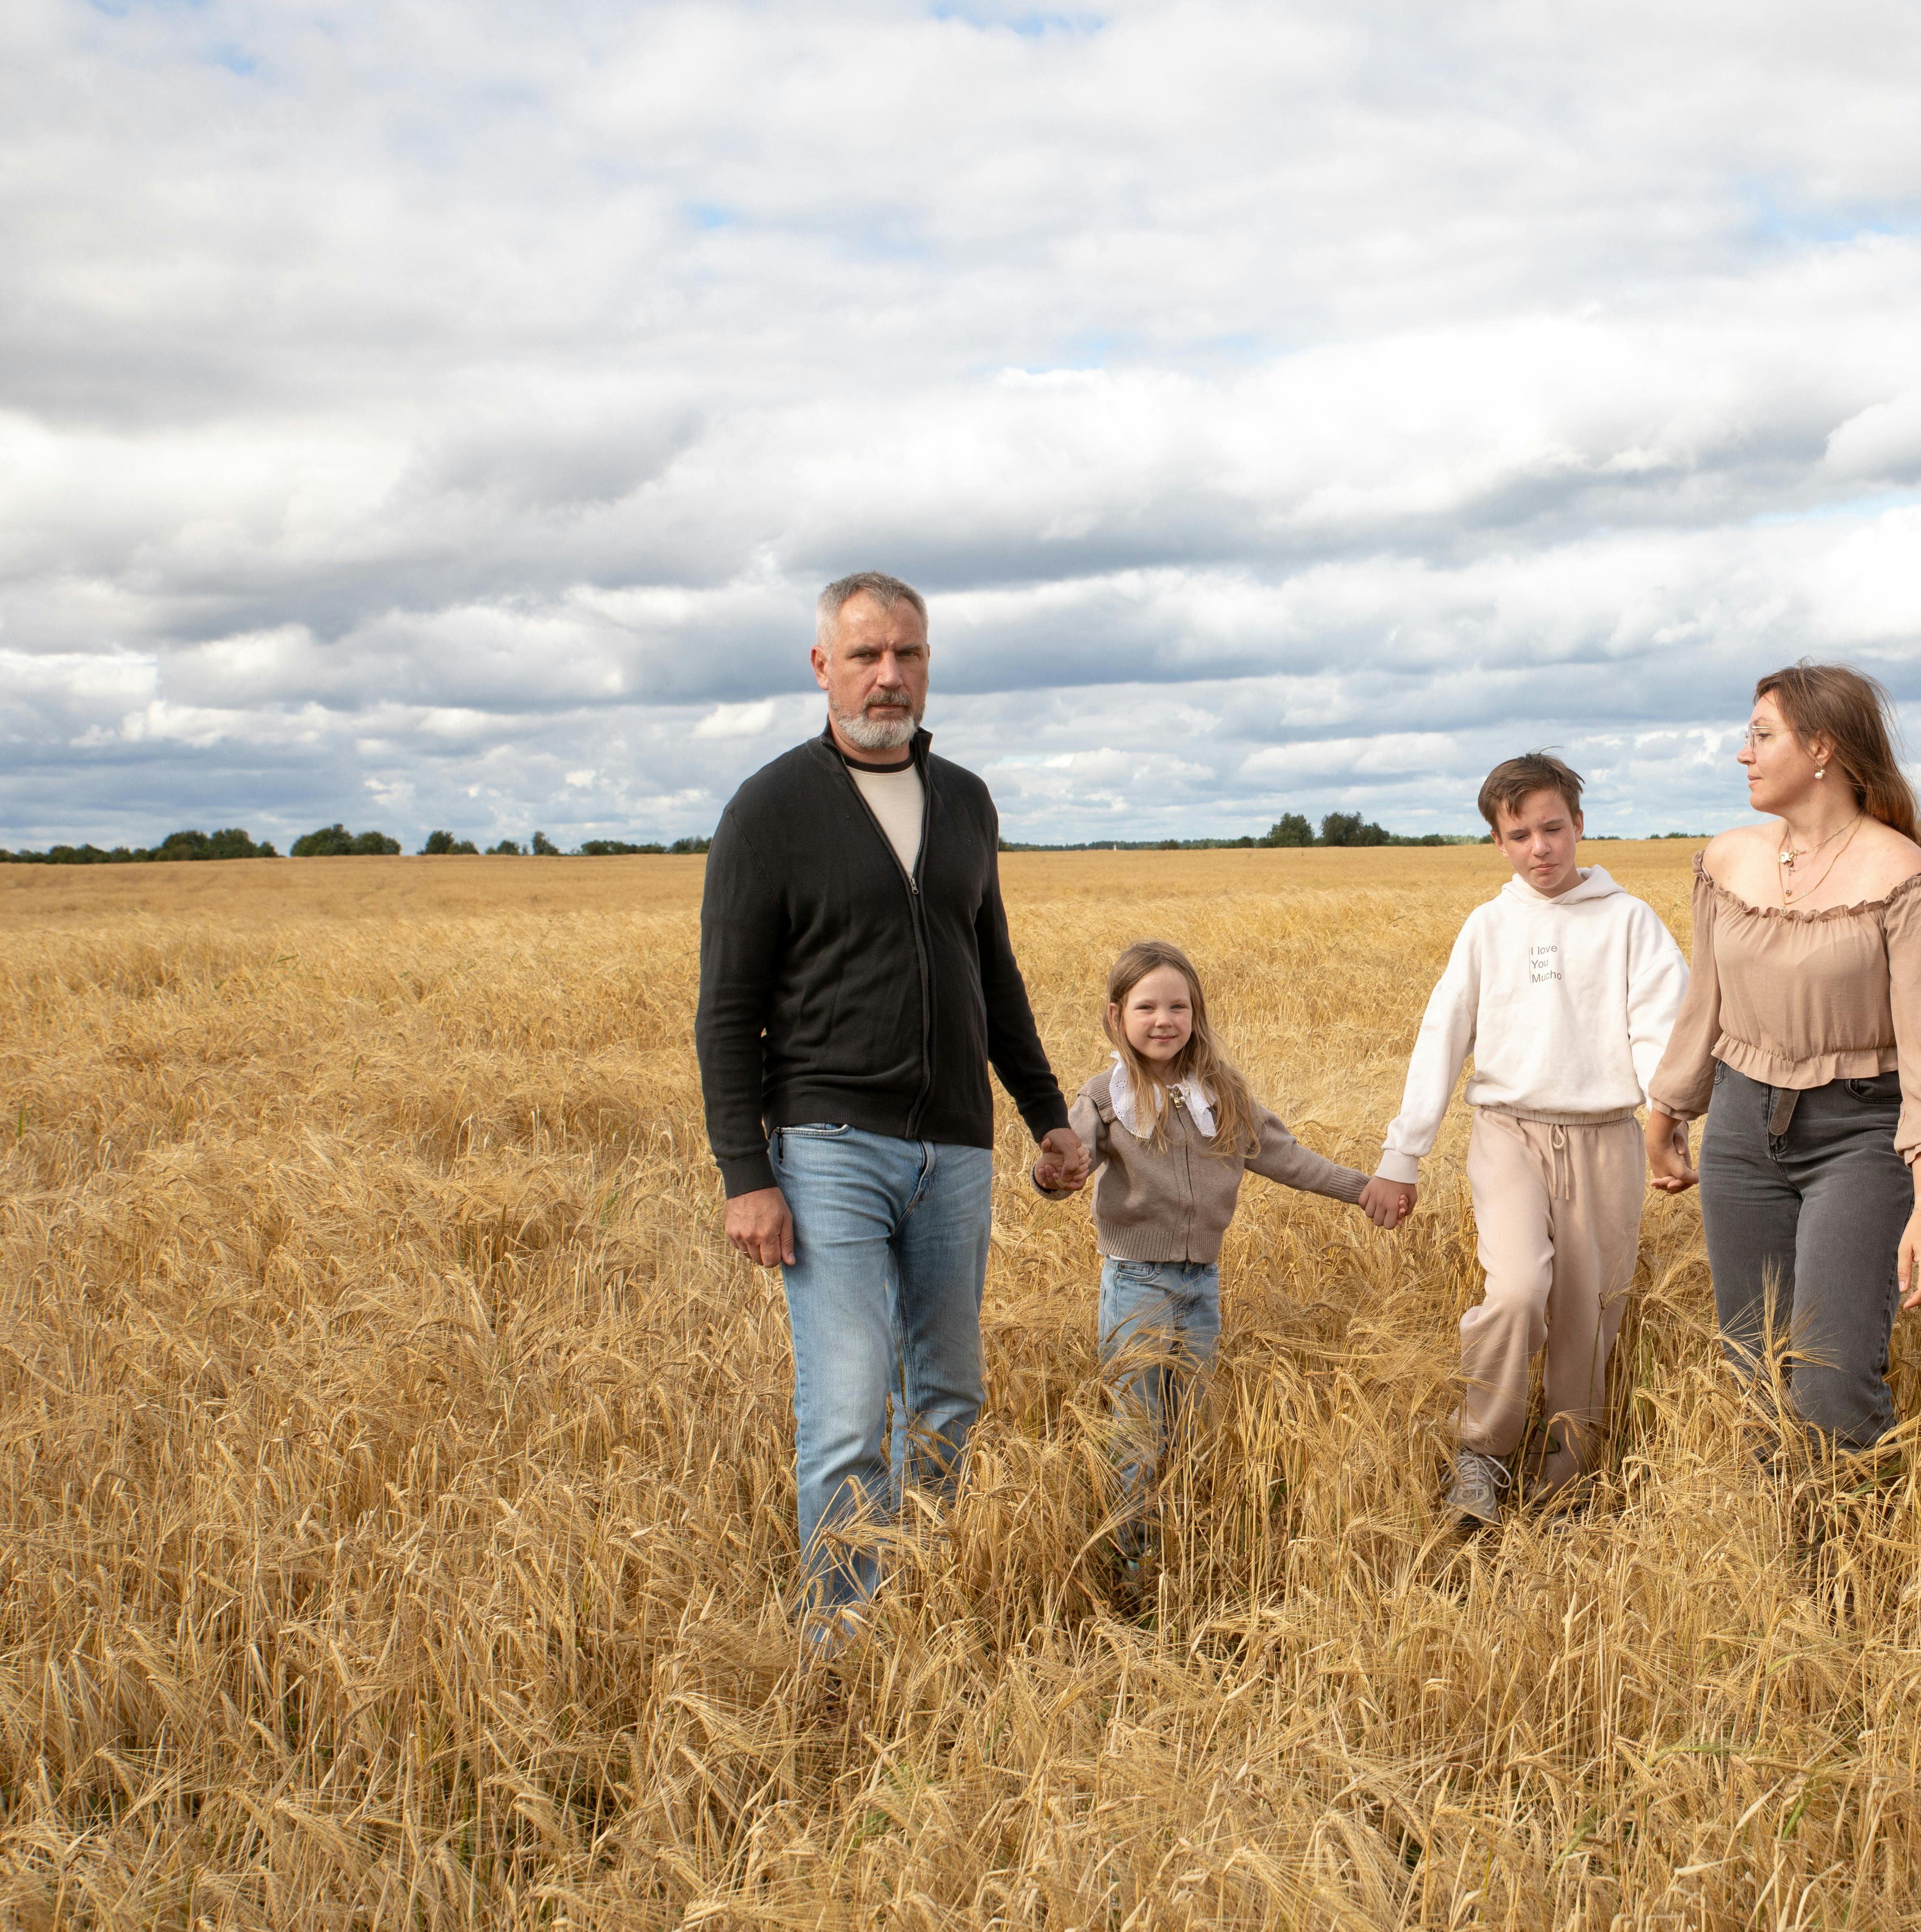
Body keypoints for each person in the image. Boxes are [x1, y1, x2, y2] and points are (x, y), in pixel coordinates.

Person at [694, 571, 1088, 1638]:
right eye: (866, 654)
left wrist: (1047, 1110)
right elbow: (725, 1008)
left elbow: (989, 966)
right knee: (847, 1406)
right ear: (822, 665)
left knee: (951, 1395)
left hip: (954, 1145)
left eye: (907, 653)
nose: (889, 674)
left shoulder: (964, 797)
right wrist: (748, 1173)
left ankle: (925, 1600)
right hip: (828, 1144)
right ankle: (840, 1636)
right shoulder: (771, 807)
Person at [1643, 662, 1921, 1455]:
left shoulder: (1903, 878)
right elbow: (1705, 1006)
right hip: (1740, 1128)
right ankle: (1783, 1563)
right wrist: (1666, 1111)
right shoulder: (1727, 861)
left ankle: (1849, 1566)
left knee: (1829, 1381)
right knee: (1755, 1368)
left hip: (1860, 1135)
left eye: (1761, 735)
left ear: (1821, 747)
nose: (1742, 755)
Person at [1362, 753, 1692, 1526]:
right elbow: (1442, 1036)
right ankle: (1480, 1456)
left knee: (1590, 1312)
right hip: (1506, 1131)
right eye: (1520, 835)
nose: (1540, 847)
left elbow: (1660, 1032)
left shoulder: (1629, 922)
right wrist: (1400, 1156)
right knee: (1517, 1291)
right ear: (1498, 843)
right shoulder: (1489, 927)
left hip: (1606, 1137)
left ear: (1579, 825)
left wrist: (1664, 1122)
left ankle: (1566, 1479)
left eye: (1552, 829)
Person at [1035, 940, 1374, 1597]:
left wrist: (1363, 1189)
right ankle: (1128, 1563)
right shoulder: (1106, 1098)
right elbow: (1064, 1165)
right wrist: (1054, 1176)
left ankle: (1183, 1549)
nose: (1164, 1020)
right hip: (1136, 1283)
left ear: (1197, 1014)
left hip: (1201, 1286)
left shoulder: (1219, 1093)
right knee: (1137, 1425)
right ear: (1116, 1018)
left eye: (1178, 1006)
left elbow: (1286, 1157)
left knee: (1191, 1421)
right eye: (1146, 1007)